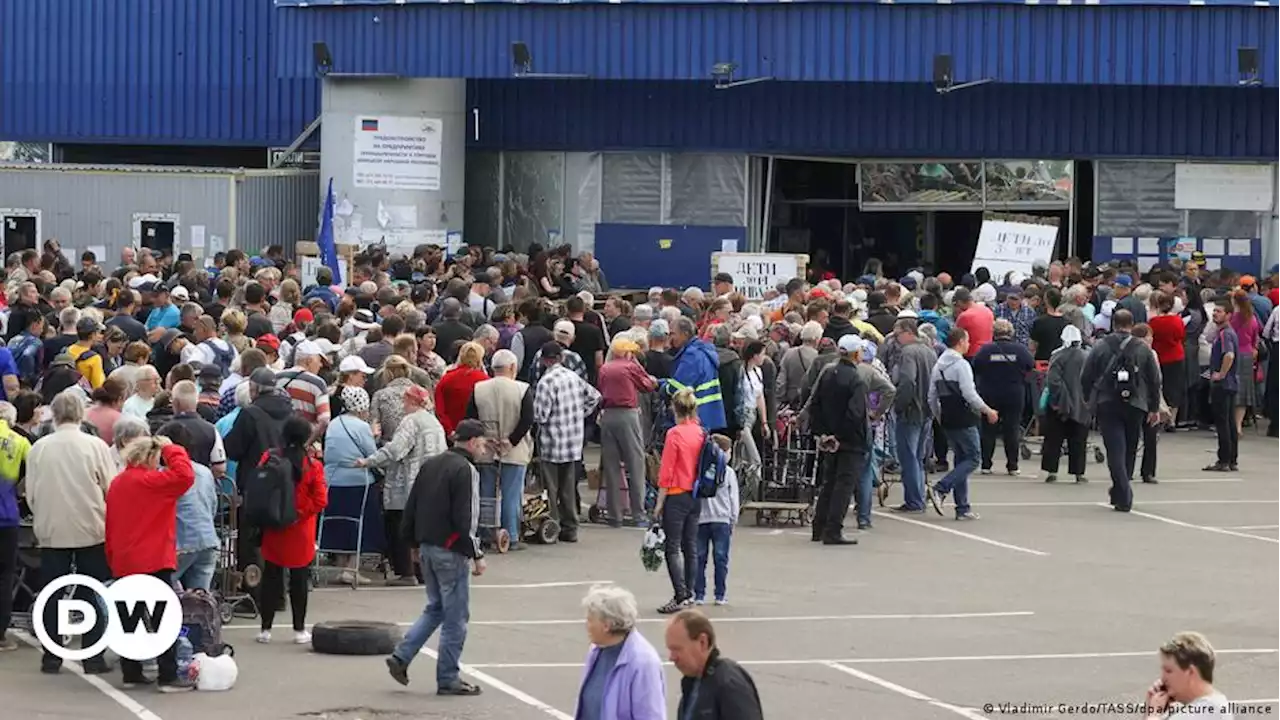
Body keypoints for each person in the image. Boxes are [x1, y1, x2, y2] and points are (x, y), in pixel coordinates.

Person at [384, 419, 488, 696]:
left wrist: (412, 543)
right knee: (456, 617)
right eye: (483, 443)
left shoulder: (432, 464)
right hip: (450, 549)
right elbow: (467, 518)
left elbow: (413, 504)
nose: (484, 448)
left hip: (428, 545)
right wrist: (476, 553)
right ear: (474, 441)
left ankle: (402, 655)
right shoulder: (466, 470)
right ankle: (448, 677)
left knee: (435, 608)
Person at [26, 391, 117, 673]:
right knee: (93, 590)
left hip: (52, 527)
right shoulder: (95, 446)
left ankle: (51, 655)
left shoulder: (39, 448)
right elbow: (110, 487)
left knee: (52, 592)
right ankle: (93, 656)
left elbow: (31, 492)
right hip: (91, 525)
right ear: (81, 413)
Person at [104, 433, 195, 691]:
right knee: (162, 620)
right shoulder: (153, 481)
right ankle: (168, 675)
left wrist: (112, 556)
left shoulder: (119, 483)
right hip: (154, 558)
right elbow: (185, 476)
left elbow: (110, 524)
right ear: (152, 457)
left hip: (125, 557)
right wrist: (172, 448)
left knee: (129, 618)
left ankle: (131, 671)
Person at [357, 384, 448, 585]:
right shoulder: (434, 422)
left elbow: (395, 450)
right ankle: (423, 572)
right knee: (422, 530)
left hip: (407, 485)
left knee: (400, 528)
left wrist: (369, 461)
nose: (403, 404)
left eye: (405, 400)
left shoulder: (410, 421)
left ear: (412, 401)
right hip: (432, 483)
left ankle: (407, 573)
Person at [257, 416, 328, 645]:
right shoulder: (312, 465)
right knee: (299, 579)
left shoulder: (269, 457)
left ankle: (265, 629)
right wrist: (298, 513)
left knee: (271, 576)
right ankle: (299, 630)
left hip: (273, 523)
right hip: (301, 528)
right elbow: (320, 499)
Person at [467, 349, 535, 549]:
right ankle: (511, 535)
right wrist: (511, 440)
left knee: (486, 493)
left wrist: (485, 438)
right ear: (513, 367)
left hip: (485, 448)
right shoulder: (522, 389)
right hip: (513, 449)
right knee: (511, 494)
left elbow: (470, 417)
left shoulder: (479, 388)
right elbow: (527, 419)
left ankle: (487, 534)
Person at [533, 342, 601, 543]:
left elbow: (540, 415)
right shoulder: (574, 377)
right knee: (569, 486)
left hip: (552, 443)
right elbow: (595, 396)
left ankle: (552, 526)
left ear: (545, 360)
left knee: (550, 488)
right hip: (573, 442)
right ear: (561, 358)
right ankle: (570, 527)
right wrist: (581, 413)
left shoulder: (546, 383)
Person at [808, 335, 873, 543]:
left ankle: (819, 527)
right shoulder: (856, 379)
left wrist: (823, 433)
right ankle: (833, 529)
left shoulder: (828, 374)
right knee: (843, 485)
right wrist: (839, 436)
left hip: (829, 437)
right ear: (855, 353)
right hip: (849, 440)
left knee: (829, 483)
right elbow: (855, 414)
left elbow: (814, 404)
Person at [929, 327, 997, 521]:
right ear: (960, 342)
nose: (968, 345)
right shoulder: (961, 365)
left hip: (948, 417)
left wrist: (938, 416)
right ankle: (941, 488)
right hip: (964, 416)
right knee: (974, 458)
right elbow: (969, 393)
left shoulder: (939, 365)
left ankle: (963, 507)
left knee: (961, 459)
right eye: (967, 341)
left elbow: (931, 396)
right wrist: (987, 410)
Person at [573, 584, 667, 720]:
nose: (586, 625)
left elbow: (650, 715)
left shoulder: (643, 663)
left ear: (606, 625)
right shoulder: (596, 650)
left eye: (590, 620)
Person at [322, 385, 382, 586]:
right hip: (358, 480)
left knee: (338, 522)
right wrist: (374, 436)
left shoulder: (333, 423)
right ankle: (351, 568)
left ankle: (340, 565)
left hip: (332, 480)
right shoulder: (362, 427)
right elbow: (371, 454)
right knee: (361, 523)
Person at [596, 337, 657, 527]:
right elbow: (646, 385)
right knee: (635, 463)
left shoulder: (604, 368)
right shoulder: (630, 367)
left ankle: (615, 515)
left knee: (612, 466)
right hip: (627, 415)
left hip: (608, 416)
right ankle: (638, 513)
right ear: (627, 352)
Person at [653, 388, 703, 613]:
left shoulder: (674, 434)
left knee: (672, 547)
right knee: (690, 545)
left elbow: (667, 470)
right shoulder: (700, 432)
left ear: (675, 408)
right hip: (694, 493)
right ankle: (690, 592)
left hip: (676, 492)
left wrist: (659, 503)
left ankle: (679, 593)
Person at [666, 609, 764, 720]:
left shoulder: (729, 684)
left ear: (703, 642)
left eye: (677, 649)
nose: (672, 658)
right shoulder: (694, 681)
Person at [972, 319, 1034, 476]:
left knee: (988, 429)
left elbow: (976, 366)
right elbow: (1030, 365)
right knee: (1012, 429)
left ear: (994, 333)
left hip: (990, 393)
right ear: (1011, 333)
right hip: (1014, 393)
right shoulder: (1020, 349)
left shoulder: (985, 350)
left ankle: (986, 464)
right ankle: (1012, 465)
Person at [891, 322, 937, 512]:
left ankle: (914, 500)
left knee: (908, 457)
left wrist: (899, 405)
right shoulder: (929, 352)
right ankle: (917, 498)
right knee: (917, 457)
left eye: (897, 335)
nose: (896, 339)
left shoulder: (908, 353)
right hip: (927, 409)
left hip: (912, 410)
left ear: (908, 333)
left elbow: (908, 380)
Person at [1143, 632, 1234, 720]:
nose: (1163, 678)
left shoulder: (1206, 712)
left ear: (1190, 672)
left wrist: (1153, 714)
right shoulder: (1210, 706)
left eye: (1168, 671)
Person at [1041, 325, 1091, 484]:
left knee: (1054, 439)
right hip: (1081, 404)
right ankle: (1078, 473)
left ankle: (1051, 471)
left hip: (1058, 404)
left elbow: (1053, 380)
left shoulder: (1057, 356)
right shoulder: (1086, 357)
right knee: (1078, 439)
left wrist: (1061, 398)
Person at [0, 401, 31, 651]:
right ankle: (0, 634)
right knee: (4, 574)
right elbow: (32, 475)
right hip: (6, 515)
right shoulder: (19, 442)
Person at [694, 435, 738, 606]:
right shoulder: (728, 473)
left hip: (701, 519)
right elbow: (733, 499)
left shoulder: (699, 469)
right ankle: (720, 594)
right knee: (721, 558)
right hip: (722, 519)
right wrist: (733, 519)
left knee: (699, 558)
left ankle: (699, 594)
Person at [1205, 299, 1239, 473]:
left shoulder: (1225, 334)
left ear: (1228, 315)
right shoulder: (1226, 333)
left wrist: (1221, 374)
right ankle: (1232, 458)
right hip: (1231, 383)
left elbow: (1229, 355)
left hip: (1223, 383)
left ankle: (1224, 459)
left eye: (1219, 311)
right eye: (1215, 311)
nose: (1215, 313)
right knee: (1230, 422)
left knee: (1222, 422)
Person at [435, 341, 489, 436]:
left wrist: (449, 431)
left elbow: (439, 409)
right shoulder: (485, 380)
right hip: (476, 434)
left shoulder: (446, 379)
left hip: (451, 432)